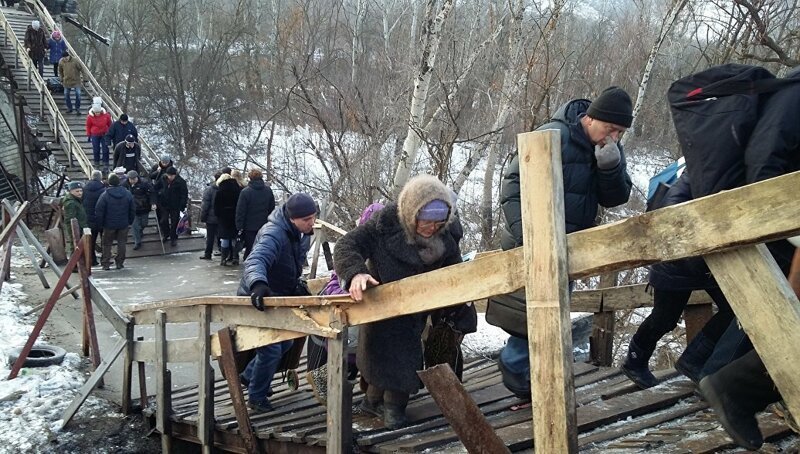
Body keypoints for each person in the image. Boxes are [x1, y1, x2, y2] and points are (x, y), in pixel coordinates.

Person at [496, 86, 633, 399]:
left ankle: (530, 377)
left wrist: (610, 167)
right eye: (611, 128)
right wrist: (527, 239)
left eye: (621, 132)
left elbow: (616, 198)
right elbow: (512, 187)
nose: (615, 137)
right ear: (590, 118)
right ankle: (516, 368)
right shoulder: (552, 136)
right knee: (532, 312)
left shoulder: (609, 148)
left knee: (552, 313)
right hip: (532, 243)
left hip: (568, 249)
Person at [693, 66, 800, 450]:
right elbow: (764, 164)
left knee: (783, 321)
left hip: (787, 230)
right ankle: (725, 383)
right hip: (778, 226)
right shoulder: (794, 96)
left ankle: (726, 383)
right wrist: (788, 226)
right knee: (776, 320)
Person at [334, 175, 464, 429]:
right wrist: (356, 273)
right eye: (425, 222)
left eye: (438, 224)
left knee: (404, 353)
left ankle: (389, 404)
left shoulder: (447, 235)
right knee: (377, 353)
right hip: (380, 304)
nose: (431, 229)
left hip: (417, 310)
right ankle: (381, 405)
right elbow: (347, 245)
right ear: (411, 213)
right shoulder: (384, 225)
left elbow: (453, 267)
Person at [622, 173, 735, 389]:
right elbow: (669, 214)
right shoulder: (699, 172)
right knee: (664, 319)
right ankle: (635, 361)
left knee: (734, 310)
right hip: (675, 260)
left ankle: (693, 360)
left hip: (706, 260)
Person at [238, 193, 318, 412]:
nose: (312, 223)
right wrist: (257, 283)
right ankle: (256, 397)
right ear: (292, 218)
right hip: (257, 297)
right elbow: (256, 260)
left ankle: (248, 376)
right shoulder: (273, 233)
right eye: (306, 220)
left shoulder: (301, 233)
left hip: (278, 296)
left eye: (313, 217)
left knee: (287, 342)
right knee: (271, 349)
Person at [306, 202, 384, 406]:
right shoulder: (353, 252)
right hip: (339, 327)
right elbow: (334, 282)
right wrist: (350, 288)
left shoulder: (388, 254)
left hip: (364, 331)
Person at [96, 173, 134, 270]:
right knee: (122, 243)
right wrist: (130, 221)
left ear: (109, 183)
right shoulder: (127, 193)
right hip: (123, 223)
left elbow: (99, 211)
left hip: (109, 224)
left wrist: (100, 224)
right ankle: (120, 262)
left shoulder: (104, 195)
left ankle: (106, 263)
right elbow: (132, 209)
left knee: (107, 244)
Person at [235, 168, 275, 260]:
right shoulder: (268, 190)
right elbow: (271, 207)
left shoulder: (245, 192)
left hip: (249, 225)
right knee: (262, 246)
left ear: (250, 178)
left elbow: (241, 210)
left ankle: (250, 266)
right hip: (264, 223)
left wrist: (239, 226)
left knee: (250, 247)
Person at [154, 166, 188, 247]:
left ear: (175, 175)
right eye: (168, 175)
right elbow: (155, 187)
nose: (170, 177)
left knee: (174, 222)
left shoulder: (181, 182)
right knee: (163, 221)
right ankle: (166, 234)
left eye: (171, 176)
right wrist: (159, 194)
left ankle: (173, 238)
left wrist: (182, 206)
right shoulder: (163, 179)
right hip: (164, 204)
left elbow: (184, 195)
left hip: (175, 206)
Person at [214, 172, 242, 265]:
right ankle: (235, 257)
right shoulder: (238, 191)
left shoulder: (220, 192)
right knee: (234, 238)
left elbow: (216, 208)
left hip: (224, 218)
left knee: (225, 239)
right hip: (235, 217)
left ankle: (223, 258)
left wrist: (219, 216)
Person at [123, 170, 155, 251]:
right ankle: (137, 242)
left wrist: (153, 203)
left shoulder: (144, 183)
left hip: (144, 208)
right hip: (133, 210)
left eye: (134, 179)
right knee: (135, 226)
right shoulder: (125, 184)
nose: (132, 181)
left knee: (144, 223)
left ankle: (140, 232)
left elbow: (152, 193)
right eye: (130, 179)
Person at [82, 170, 105, 266]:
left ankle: (92, 260)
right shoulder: (103, 189)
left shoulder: (84, 189)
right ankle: (105, 260)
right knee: (105, 240)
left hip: (89, 218)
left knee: (91, 241)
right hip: (102, 219)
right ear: (100, 178)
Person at [60, 181, 87, 258]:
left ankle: (77, 265)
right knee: (75, 246)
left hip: (80, 226)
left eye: (81, 191)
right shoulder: (71, 203)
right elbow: (70, 219)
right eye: (77, 191)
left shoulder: (76, 200)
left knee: (78, 247)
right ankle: (74, 266)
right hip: (76, 228)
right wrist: (74, 231)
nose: (80, 193)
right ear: (71, 191)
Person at [199, 171, 221, 260]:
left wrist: (203, 216)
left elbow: (205, 205)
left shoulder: (209, 189)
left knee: (210, 236)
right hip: (221, 217)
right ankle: (222, 251)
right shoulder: (224, 189)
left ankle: (208, 253)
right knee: (221, 235)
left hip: (211, 217)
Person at [85, 97, 112, 171]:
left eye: (98, 112)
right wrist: (88, 134)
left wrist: (110, 133)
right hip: (95, 134)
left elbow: (110, 124)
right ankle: (96, 163)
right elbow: (88, 126)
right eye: (96, 112)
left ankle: (106, 163)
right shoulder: (90, 117)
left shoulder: (106, 115)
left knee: (105, 149)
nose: (97, 114)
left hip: (104, 134)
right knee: (96, 149)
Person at [58, 50, 82, 114]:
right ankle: (69, 108)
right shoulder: (61, 62)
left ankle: (77, 108)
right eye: (64, 58)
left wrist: (85, 79)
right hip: (66, 81)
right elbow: (60, 71)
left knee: (78, 94)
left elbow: (82, 69)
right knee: (66, 95)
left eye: (66, 57)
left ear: (69, 56)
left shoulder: (75, 60)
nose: (65, 59)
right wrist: (61, 79)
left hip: (76, 80)